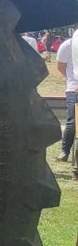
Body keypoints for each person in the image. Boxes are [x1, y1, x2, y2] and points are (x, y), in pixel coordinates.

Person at [55, 30, 77, 163]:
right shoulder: (67, 45)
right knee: (73, 121)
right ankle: (65, 151)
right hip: (74, 89)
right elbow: (60, 67)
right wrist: (72, 79)